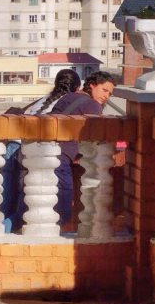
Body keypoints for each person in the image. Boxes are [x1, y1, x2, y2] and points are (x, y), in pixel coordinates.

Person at [0, 69, 82, 231]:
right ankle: (0, 231)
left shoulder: (42, 100)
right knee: (25, 208)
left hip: (12, 146)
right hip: (30, 151)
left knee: (7, 204)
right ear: (77, 87)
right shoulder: (67, 102)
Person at [48, 70, 115, 228]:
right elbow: (98, 139)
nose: (106, 96)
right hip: (60, 159)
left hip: (40, 153)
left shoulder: (68, 96)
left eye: (110, 94)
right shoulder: (92, 105)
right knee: (62, 211)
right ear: (92, 86)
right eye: (104, 90)